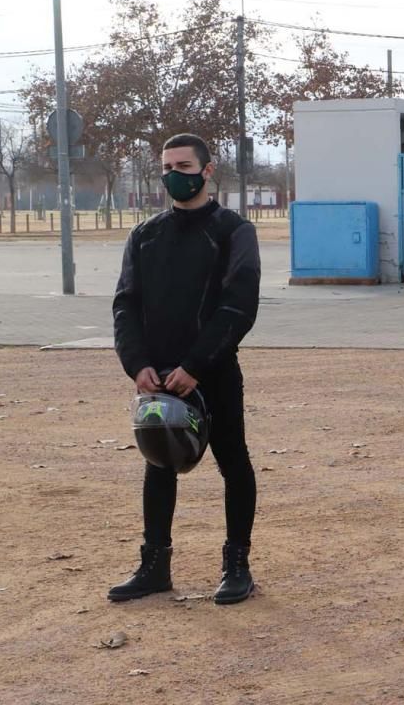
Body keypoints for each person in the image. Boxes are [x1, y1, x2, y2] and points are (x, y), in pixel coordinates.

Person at [109, 133, 261, 605]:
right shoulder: (145, 235)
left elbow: (239, 307)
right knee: (159, 464)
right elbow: (124, 304)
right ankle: (155, 565)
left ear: (207, 170)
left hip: (211, 373)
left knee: (233, 462)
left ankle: (237, 565)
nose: (174, 174)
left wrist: (195, 365)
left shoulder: (234, 231)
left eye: (184, 165)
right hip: (155, 380)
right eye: (167, 166)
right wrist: (136, 365)